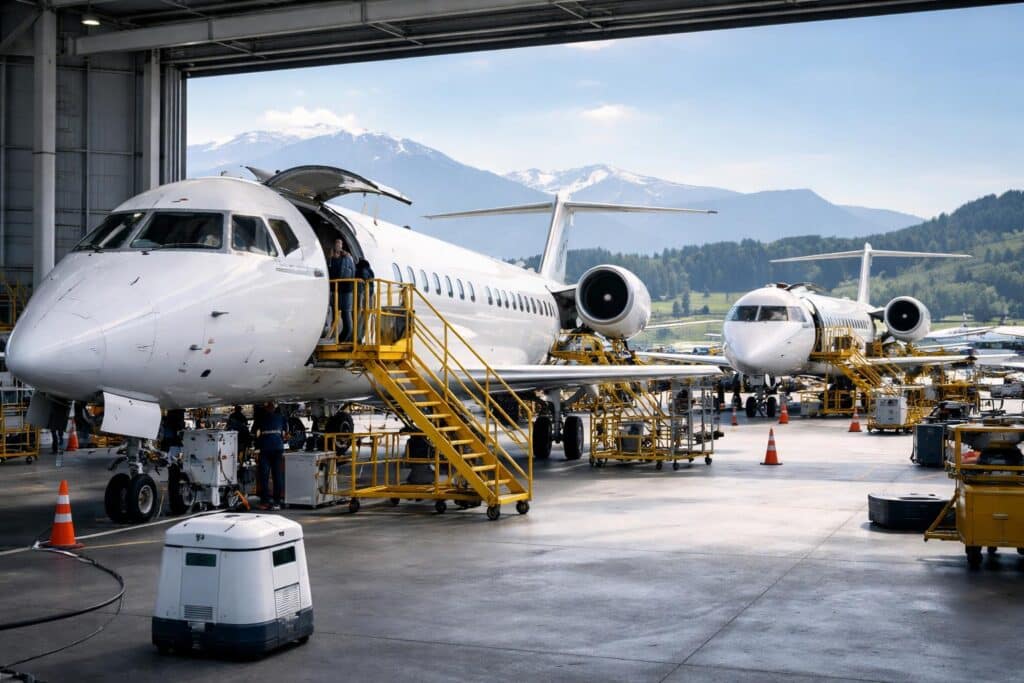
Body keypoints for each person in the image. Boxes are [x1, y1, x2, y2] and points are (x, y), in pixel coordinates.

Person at [254, 401, 288, 510]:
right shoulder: (281, 417)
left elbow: (254, 431)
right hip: (277, 448)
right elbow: (286, 431)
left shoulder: (261, 418)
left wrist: (256, 444)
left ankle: (265, 501)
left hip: (265, 448)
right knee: (277, 475)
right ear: (274, 408)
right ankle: (277, 501)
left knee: (264, 476)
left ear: (266, 408)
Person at [327, 239, 356, 343]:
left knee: (346, 315)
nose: (338, 246)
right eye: (336, 243)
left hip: (345, 290)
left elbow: (352, 273)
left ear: (342, 246)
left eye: (340, 244)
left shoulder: (347, 258)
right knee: (334, 313)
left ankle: (342, 339)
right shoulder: (330, 259)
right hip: (334, 290)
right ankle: (333, 337)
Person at [354, 258, 374, 342]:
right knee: (365, 317)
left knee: (360, 316)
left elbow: (364, 280)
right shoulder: (370, 270)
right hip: (369, 295)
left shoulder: (362, 270)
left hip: (364, 295)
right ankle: (360, 336)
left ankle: (357, 337)